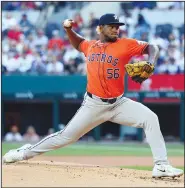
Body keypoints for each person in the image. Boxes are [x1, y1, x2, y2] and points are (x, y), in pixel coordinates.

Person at [3, 13, 183, 179]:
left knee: (150, 118)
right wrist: (68, 30)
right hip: (93, 105)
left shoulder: (126, 44)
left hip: (119, 103)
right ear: (100, 28)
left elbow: (154, 47)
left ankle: (161, 165)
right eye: (111, 26)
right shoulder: (90, 46)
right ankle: (25, 153)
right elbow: (78, 43)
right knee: (66, 137)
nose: (115, 28)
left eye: (117, 26)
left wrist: (150, 62)